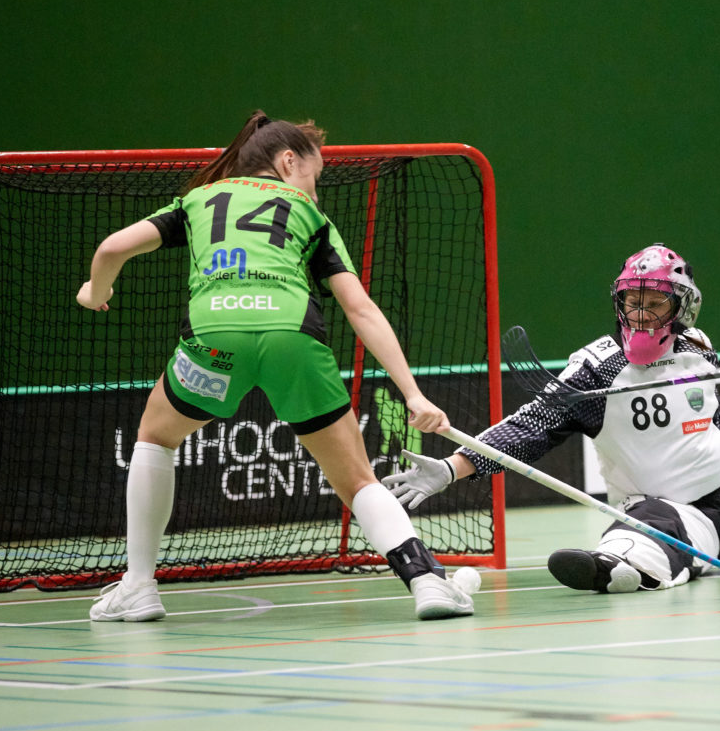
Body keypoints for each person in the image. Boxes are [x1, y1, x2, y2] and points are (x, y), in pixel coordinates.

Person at [76, 110, 474, 622]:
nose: (315, 188)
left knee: (155, 436)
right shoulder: (311, 216)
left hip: (215, 339)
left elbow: (112, 247)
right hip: (293, 339)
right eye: (315, 174)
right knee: (357, 480)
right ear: (288, 161)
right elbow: (360, 310)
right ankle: (426, 581)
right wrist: (413, 393)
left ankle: (137, 587)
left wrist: (96, 292)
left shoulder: (197, 201)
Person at [383, 244, 720, 593]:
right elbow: (531, 427)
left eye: (654, 303)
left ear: (682, 307)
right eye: (632, 302)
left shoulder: (698, 349)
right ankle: (621, 564)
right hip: (663, 507)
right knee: (633, 557)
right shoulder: (595, 370)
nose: (640, 314)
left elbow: (713, 419)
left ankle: (719, 549)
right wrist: (451, 467)